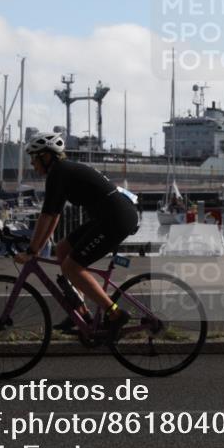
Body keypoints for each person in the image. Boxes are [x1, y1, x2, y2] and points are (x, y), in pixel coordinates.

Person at [14, 131, 139, 339]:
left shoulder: (58, 173)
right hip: (109, 215)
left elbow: (46, 216)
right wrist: (38, 249)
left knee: (72, 266)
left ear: (46, 157)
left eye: (34, 159)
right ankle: (80, 313)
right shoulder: (62, 171)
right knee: (63, 249)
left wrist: (31, 250)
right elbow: (54, 216)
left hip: (115, 218)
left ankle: (115, 313)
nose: (32, 165)